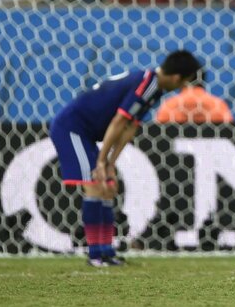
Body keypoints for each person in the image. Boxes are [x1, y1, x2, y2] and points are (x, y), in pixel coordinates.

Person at [47, 51, 202, 266]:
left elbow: (130, 126)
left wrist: (110, 164)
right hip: (71, 128)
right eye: (184, 82)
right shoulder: (147, 83)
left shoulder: (153, 88)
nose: (182, 87)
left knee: (107, 187)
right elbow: (120, 120)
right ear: (177, 78)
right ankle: (95, 255)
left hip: (87, 134)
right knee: (94, 185)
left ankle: (106, 252)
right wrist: (102, 162)